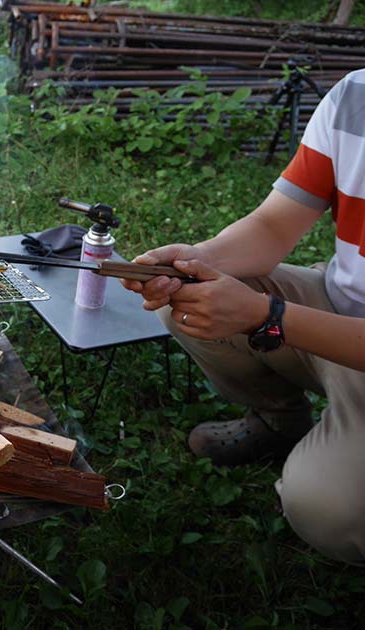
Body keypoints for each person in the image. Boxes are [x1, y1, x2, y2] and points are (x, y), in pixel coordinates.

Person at [120, 68, 365, 565]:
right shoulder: (355, 98)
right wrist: (195, 262)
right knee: (192, 300)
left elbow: (265, 314)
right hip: (341, 304)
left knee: (326, 510)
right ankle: (281, 424)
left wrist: (266, 315)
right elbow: (274, 225)